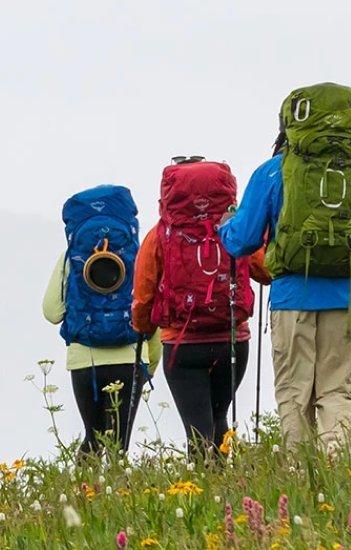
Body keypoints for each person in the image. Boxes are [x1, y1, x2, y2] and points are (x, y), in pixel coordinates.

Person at [219, 83, 351, 451]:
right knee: (337, 392)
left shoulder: (273, 172)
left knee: (294, 394)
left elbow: (240, 241)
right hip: (350, 297)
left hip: (292, 299)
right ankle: (339, 474)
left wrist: (224, 225)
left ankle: (298, 479)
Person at [131, 157, 256, 450]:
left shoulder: (160, 234)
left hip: (182, 345)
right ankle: (223, 486)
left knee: (197, 429)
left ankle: (202, 488)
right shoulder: (234, 227)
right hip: (233, 340)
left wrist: (143, 327)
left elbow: (144, 293)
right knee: (219, 417)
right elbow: (264, 269)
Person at [43, 184, 161, 456]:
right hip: (131, 360)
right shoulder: (139, 254)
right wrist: (150, 364)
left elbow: (51, 312)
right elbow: (151, 309)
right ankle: (119, 493)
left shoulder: (70, 258)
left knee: (93, 440)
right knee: (120, 446)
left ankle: (81, 495)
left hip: (86, 363)